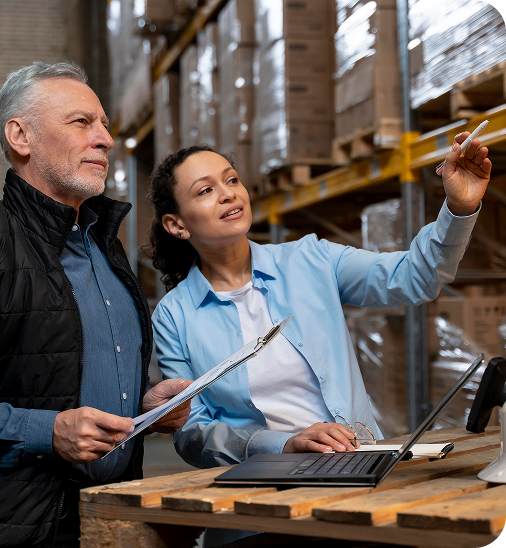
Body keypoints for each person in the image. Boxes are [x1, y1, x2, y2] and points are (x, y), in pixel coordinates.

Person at [0, 61, 192, 547]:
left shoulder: (103, 245)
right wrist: (48, 432)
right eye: (82, 123)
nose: (105, 139)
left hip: (112, 515)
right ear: (21, 136)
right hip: (18, 528)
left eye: (103, 124)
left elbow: (62, 372)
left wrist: (141, 409)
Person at [146, 138, 491, 470]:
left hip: (358, 466)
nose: (228, 194)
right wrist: (284, 443)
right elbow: (191, 432)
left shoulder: (312, 259)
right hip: (255, 487)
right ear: (177, 225)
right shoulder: (173, 316)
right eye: (206, 191)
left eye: (232, 180)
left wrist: (459, 209)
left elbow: (415, 276)